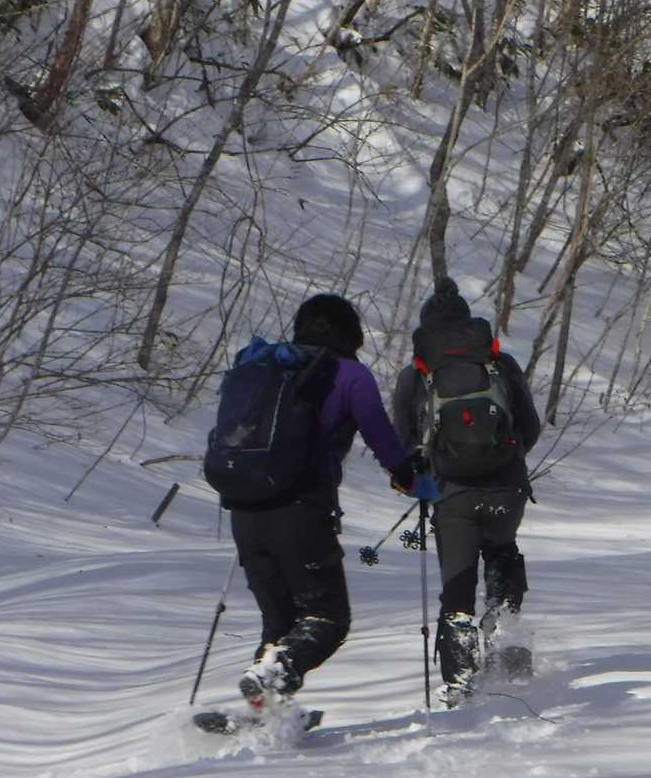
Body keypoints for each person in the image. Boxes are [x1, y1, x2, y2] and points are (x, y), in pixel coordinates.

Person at [230, 293, 434, 709]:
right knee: (327, 619)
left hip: (245, 509)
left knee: (281, 622)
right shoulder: (350, 375)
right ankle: (272, 675)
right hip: (301, 511)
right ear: (351, 333)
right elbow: (381, 438)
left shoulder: (267, 368)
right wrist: (411, 479)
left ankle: (265, 717)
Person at [392, 278, 541, 704]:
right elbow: (529, 427)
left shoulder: (417, 373)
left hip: (451, 492)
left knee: (457, 585)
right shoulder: (500, 364)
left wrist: (421, 475)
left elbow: (403, 441)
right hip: (506, 486)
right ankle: (507, 648)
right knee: (502, 553)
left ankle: (460, 682)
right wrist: (506, 458)